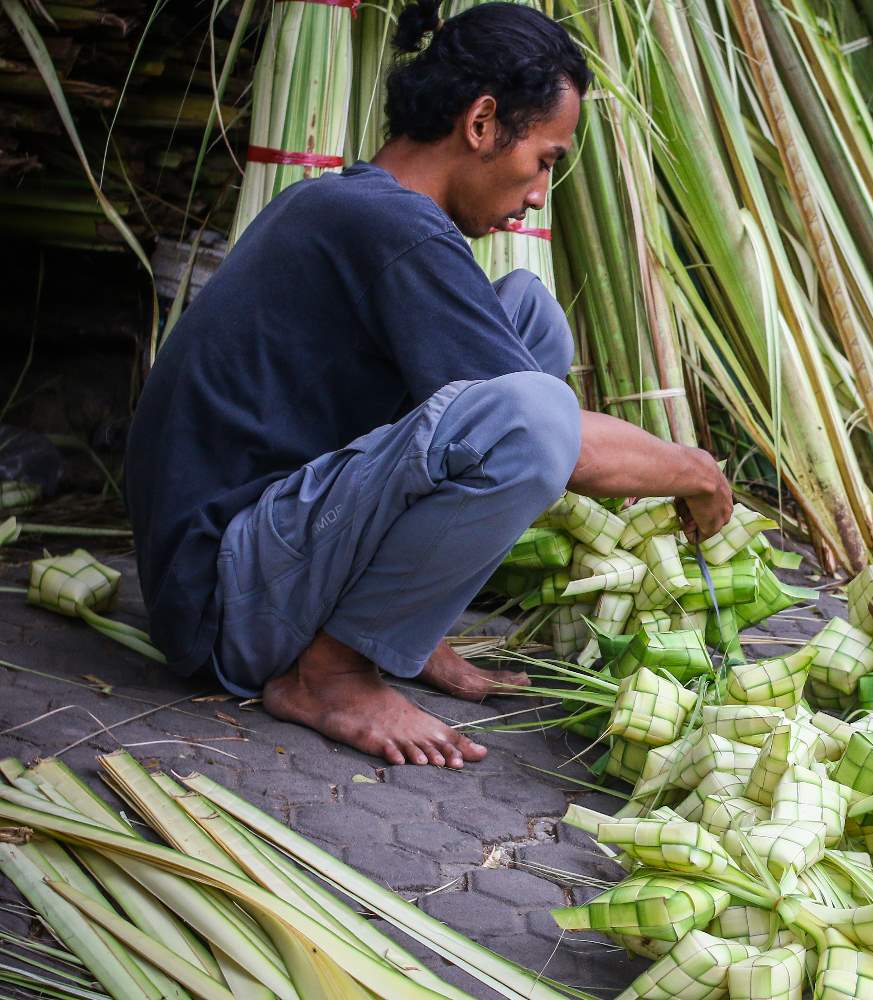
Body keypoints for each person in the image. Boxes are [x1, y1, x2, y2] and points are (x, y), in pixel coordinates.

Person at [125, 1, 733, 769]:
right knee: (533, 415)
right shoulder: (393, 228)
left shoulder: (363, 205)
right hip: (226, 602)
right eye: (545, 159)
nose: (541, 193)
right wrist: (694, 472)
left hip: (257, 553)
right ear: (482, 124)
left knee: (527, 318)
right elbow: (554, 441)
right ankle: (333, 674)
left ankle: (396, 629)